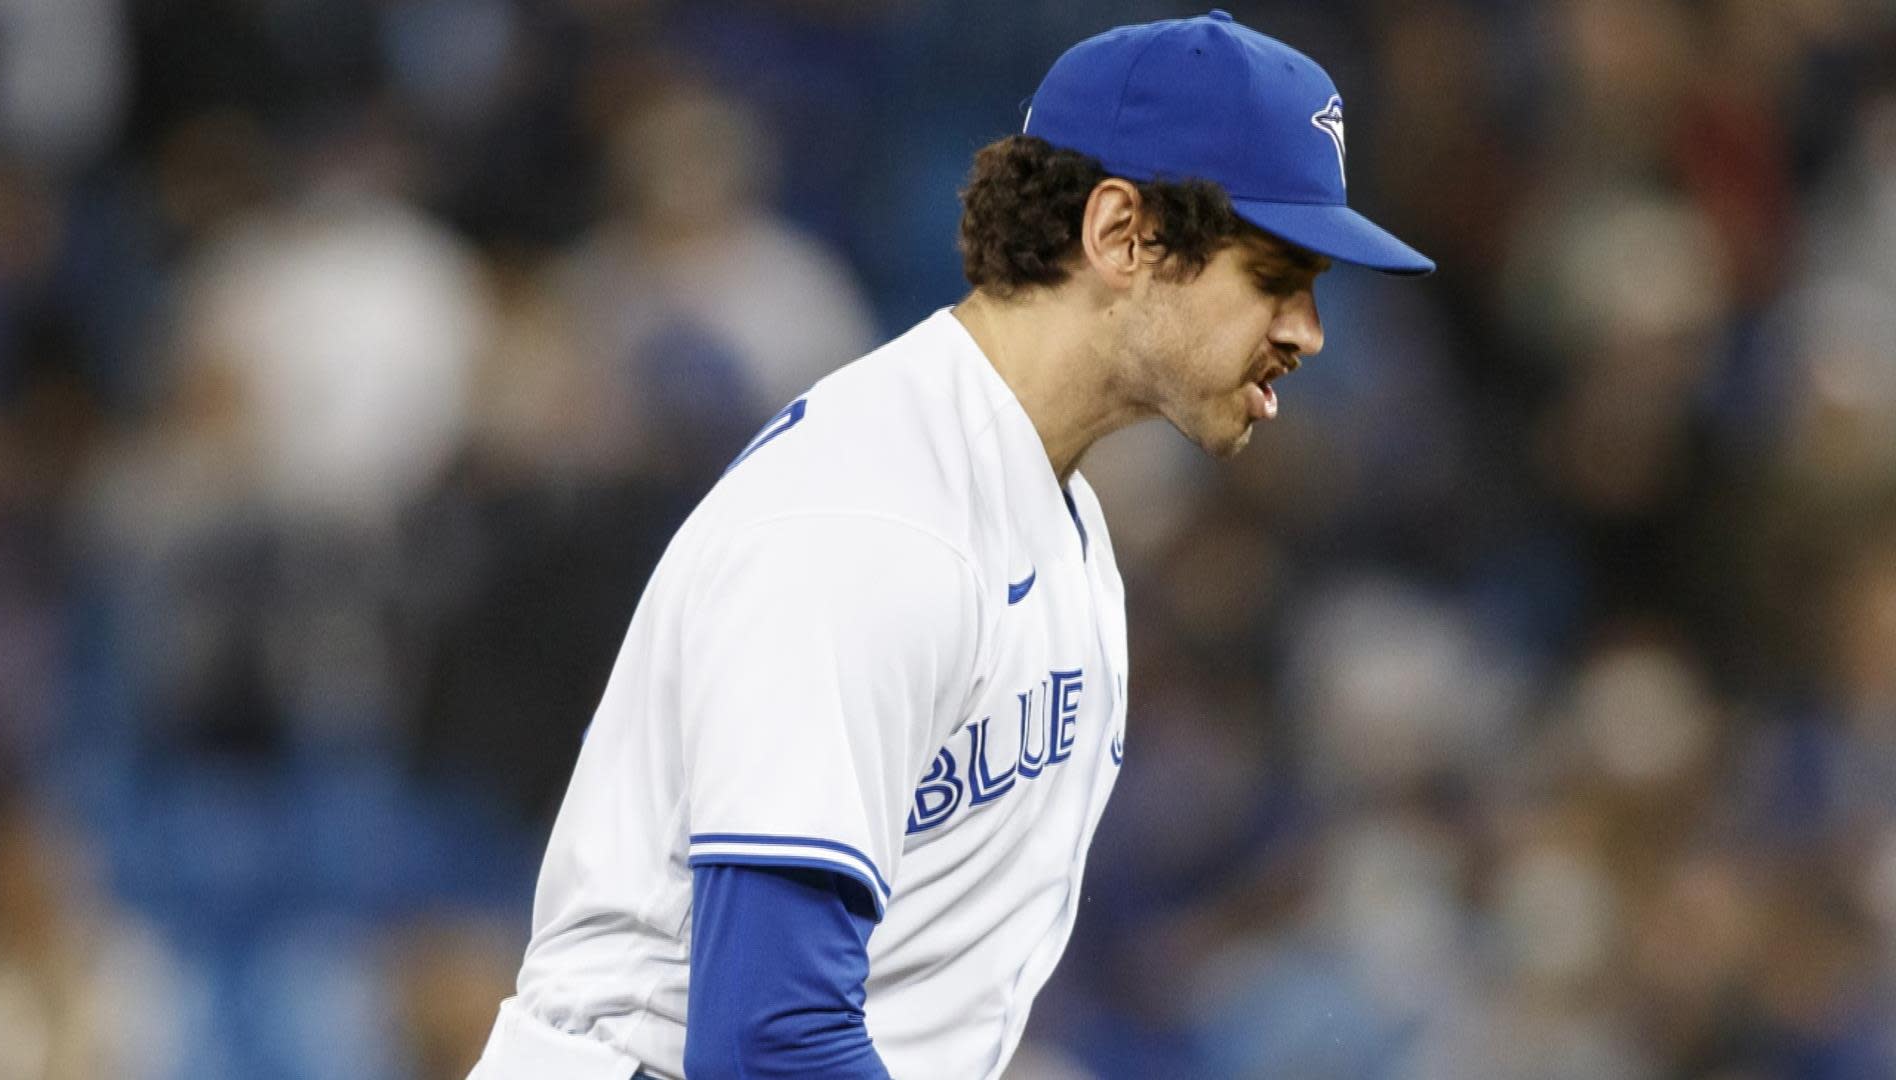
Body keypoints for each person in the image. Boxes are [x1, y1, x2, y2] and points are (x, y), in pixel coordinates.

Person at [467, 11, 1432, 1080]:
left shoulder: (1055, 520)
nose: (1309, 331)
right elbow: (765, 1042)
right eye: (1275, 276)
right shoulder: (865, 521)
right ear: (1121, 233)